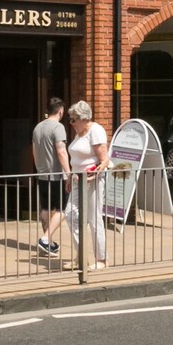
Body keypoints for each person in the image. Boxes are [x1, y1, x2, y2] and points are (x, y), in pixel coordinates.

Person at [63, 101, 111, 268]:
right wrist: (69, 177)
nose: (71, 123)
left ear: (84, 118)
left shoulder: (95, 130)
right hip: (77, 180)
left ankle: (101, 259)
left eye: (74, 119)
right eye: (70, 119)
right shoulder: (79, 132)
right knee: (70, 214)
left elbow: (104, 160)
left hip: (92, 180)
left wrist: (94, 176)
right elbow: (75, 158)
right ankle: (81, 255)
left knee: (94, 218)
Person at [31, 98, 70, 258]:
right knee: (63, 209)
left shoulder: (38, 127)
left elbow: (34, 150)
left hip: (42, 174)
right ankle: (46, 239)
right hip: (56, 175)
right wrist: (68, 172)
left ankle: (49, 244)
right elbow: (61, 151)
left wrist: (39, 168)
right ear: (60, 111)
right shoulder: (58, 127)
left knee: (46, 209)